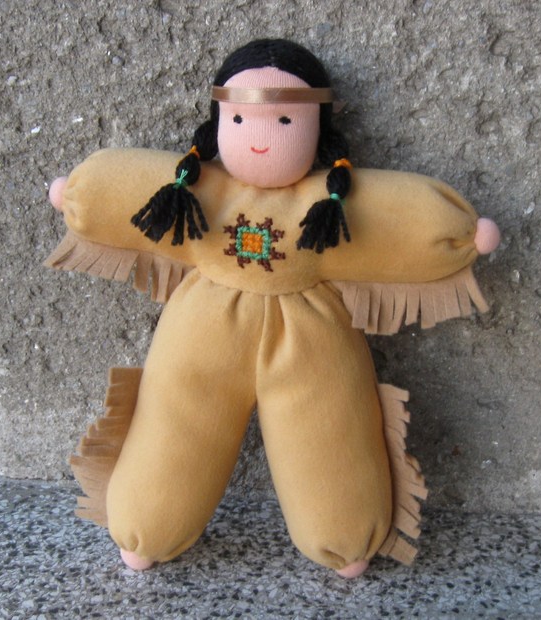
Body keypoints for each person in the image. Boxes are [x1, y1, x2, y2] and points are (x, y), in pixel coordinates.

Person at [47, 39, 500, 578]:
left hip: (311, 342)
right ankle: (147, 526)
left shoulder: (328, 207)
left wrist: (455, 233)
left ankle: (346, 537)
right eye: (239, 119)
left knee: (328, 424)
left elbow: (392, 218)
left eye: (285, 120)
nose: (260, 138)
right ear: (218, 122)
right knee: (175, 417)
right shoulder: (197, 193)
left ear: (317, 130)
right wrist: (83, 196)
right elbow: (125, 189)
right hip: (201, 340)